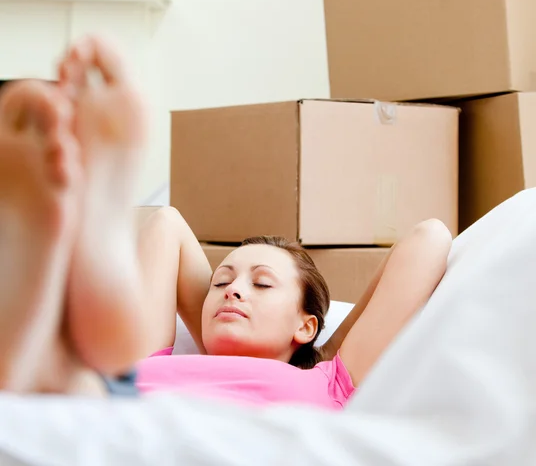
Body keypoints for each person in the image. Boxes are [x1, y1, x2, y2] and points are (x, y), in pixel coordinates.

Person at [0, 36, 451, 408]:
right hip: (117, 396)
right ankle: (78, 239)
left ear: (306, 326)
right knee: (80, 377)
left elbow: (429, 238)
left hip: (140, 421)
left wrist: (329, 348)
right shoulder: (146, 355)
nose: (233, 289)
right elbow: (168, 226)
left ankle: (53, 258)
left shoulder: (331, 380)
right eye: (220, 282)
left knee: (64, 378)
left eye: (263, 284)